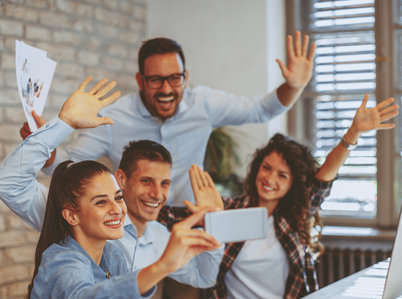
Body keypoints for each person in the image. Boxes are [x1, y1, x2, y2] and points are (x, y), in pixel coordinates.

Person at [0, 77, 223, 299]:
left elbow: (203, 277)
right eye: (146, 181)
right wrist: (63, 124)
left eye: (165, 183)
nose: (157, 194)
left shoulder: (154, 237)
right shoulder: (66, 253)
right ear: (122, 179)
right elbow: (9, 183)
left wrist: (214, 219)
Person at [160, 94, 399, 299]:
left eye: (282, 175)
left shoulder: (294, 218)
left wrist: (352, 134)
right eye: (266, 168)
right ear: (257, 168)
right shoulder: (229, 209)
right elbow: (167, 216)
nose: (270, 179)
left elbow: (326, 174)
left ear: (293, 183)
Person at [25, 32, 316, 206]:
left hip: (188, 225)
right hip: (135, 233)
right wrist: (46, 148)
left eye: (174, 78)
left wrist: (294, 86)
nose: (166, 89)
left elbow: (262, 110)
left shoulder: (204, 103)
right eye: (155, 80)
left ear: (185, 77)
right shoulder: (113, 117)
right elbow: (68, 165)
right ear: (140, 80)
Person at [18, 159, 219, 299]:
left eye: (118, 197)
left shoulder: (112, 256)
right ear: (72, 216)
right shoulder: (60, 263)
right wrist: (163, 266)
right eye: (101, 202)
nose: (117, 209)